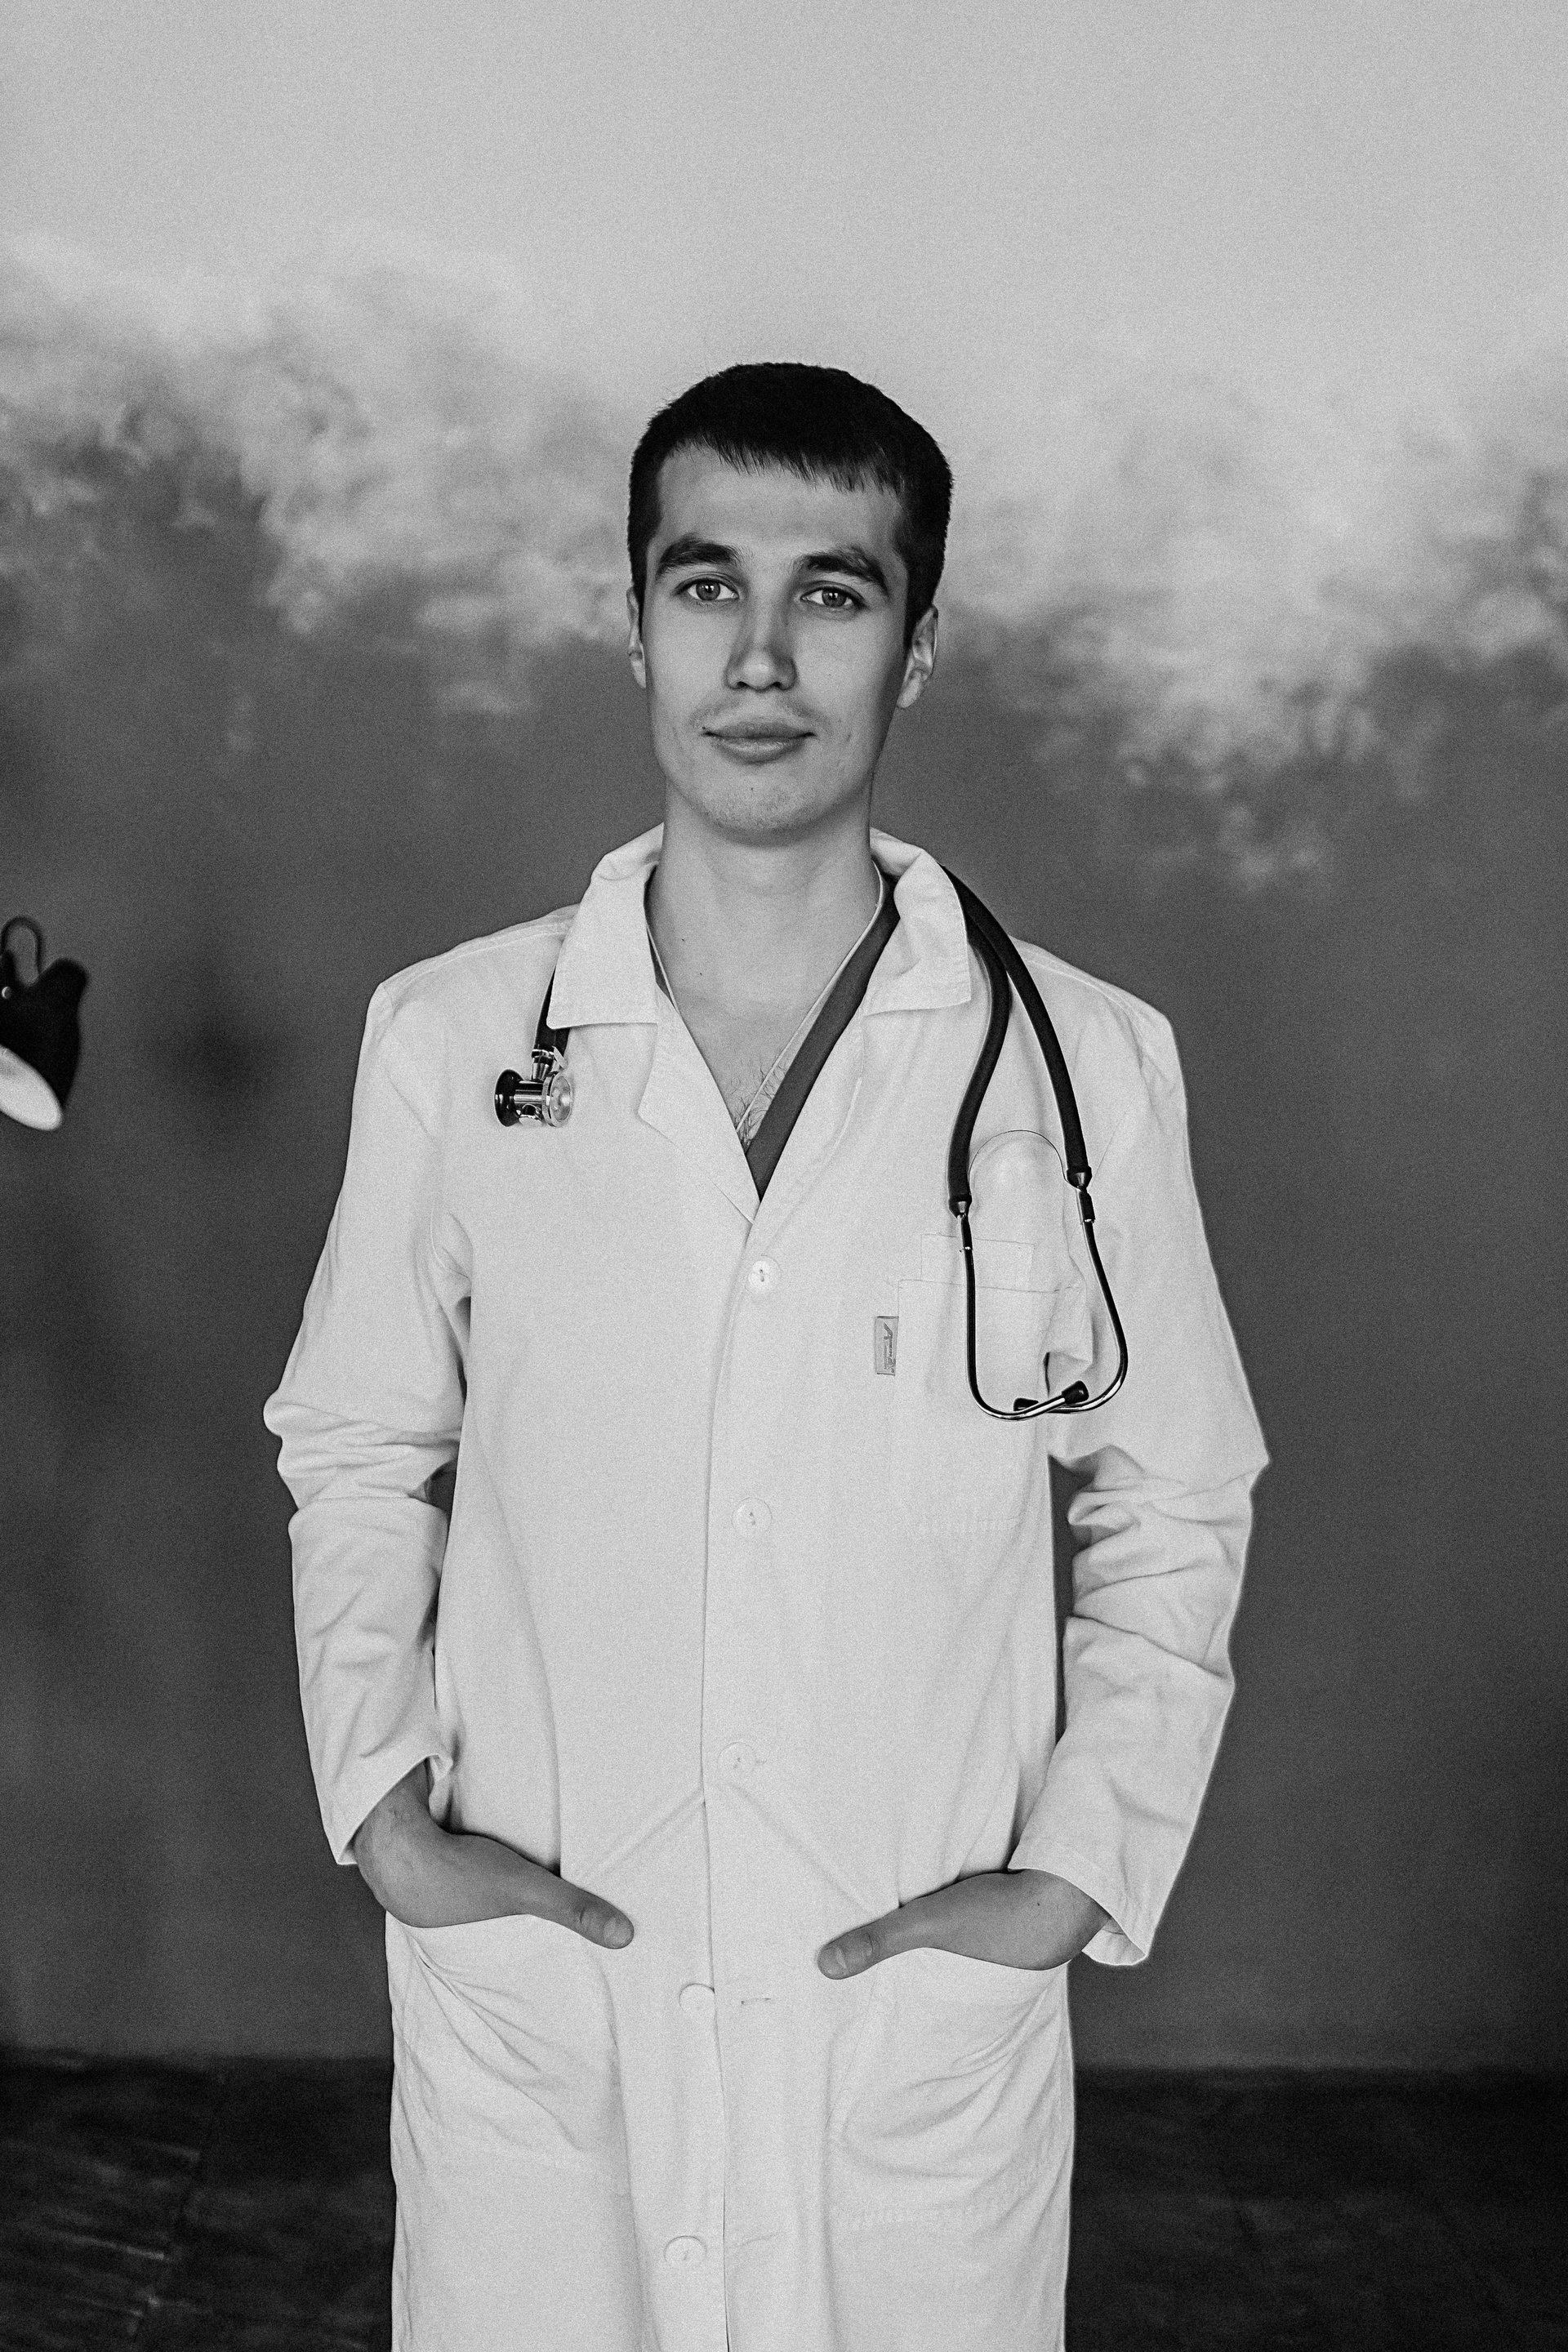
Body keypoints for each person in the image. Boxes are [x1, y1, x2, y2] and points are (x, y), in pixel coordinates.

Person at [264, 362, 1267, 2352]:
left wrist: (1077, 1873)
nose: (762, 658)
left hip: (903, 2023)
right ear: (632, 619)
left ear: (919, 643)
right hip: (555, 2000)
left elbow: (1178, 1492)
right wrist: (381, 1808)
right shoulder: (455, 1041)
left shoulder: (1083, 1067)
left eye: (834, 592)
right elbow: (356, 1442)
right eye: (709, 583)